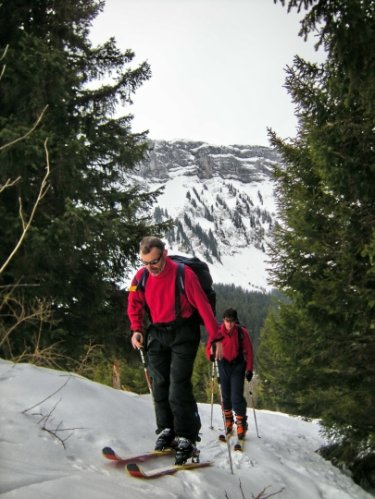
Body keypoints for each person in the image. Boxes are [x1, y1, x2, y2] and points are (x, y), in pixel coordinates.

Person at [128, 236, 223, 464]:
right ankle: (167, 430)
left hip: (183, 332)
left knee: (178, 386)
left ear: (165, 253)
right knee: (159, 383)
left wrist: (215, 338)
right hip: (157, 333)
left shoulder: (183, 275)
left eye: (154, 261)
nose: (150, 267)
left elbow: (203, 306)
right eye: (145, 262)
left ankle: (187, 437)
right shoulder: (141, 277)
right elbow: (134, 303)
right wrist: (136, 329)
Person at [206, 307, 253, 440]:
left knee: (236, 397)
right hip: (223, 365)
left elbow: (249, 351)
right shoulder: (217, 332)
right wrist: (209, 354)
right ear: (224, 320)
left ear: (235, 321)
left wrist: (249, 369)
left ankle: (241, 423)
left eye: (232, 321)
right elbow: (209, 346)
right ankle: (228, 421)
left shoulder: (241, 332)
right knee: (225, 396)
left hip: (237, 366)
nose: (229, 324)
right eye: (227, 321)